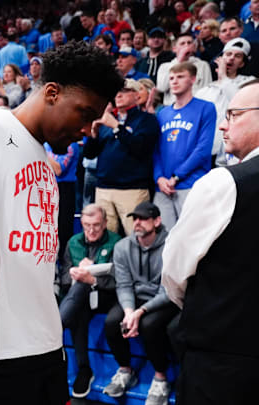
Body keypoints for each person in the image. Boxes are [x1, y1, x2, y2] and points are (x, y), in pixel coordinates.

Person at [0, 40, 124, 405]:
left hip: (46, 345)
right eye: (83, 114)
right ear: (52, 92)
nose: (86, 129)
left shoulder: (45, 163)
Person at [162, 79, 259, 404]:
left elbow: (174, 273)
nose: (223, 123)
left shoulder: (224, 183)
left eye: (233, 114)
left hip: (222, 359)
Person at [102, 202, 178, 405]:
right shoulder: (123, 247)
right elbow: (124, 284)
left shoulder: (172, 245)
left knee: (149, 325)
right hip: (135, 297)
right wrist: (129, 312)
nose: (137, 223)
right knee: (112, 322)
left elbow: (169, 290)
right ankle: (125, 370)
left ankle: (161, 378)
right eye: (135, 219)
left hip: (165, 298)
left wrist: (140, 312)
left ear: (157, 221)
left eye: (143, 218)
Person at [58, 204, 121, 398]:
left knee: (82, 288)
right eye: (86, 225)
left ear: (105, 223)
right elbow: (64, 278)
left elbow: (121, 281)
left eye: (96, 225)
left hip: (107, 296)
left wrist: (93, 278)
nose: (91, 230)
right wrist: (74, 273)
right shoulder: (74, 242)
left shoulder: (117, 243)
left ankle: (57, 327)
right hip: (81, 298)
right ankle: (84, 370)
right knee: (80, 306)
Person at [86, 79, 160, 235]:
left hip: (132, 189)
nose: (118, 95)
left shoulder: (147, 120)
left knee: (137, 235)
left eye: (124, 91)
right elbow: (89, 154)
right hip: (103, 188)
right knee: (104, 238)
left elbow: (140, 148)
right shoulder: (106, 120)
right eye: (116, 91)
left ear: (136, 95)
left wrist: (116, 127)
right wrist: (93, 135)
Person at [154, 62, 215, 230]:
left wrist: (176, 177)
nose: (174, 81)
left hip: (190, 183)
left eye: (180, 77)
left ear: (193, 79)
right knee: (165, 240)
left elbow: (203, 149)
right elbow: (156, 150)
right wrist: (159, 177)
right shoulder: (163, 113)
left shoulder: (206, 108)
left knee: (192, 236)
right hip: (163, 187)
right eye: (172, 77)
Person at [156, 32, 213, 106]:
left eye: (189, 43)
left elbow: (207, 90)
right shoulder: (165, 66)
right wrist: (179, 61)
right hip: (172, 107)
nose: (186, 45)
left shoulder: (203, 65)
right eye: (182, 43)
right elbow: (161, 88)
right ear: (174, 49)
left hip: (196, 107)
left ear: (194, 47)